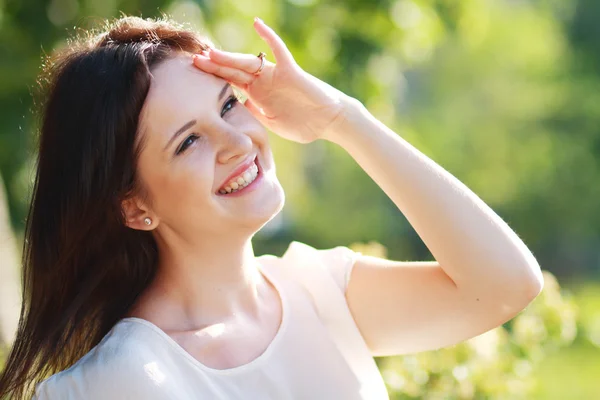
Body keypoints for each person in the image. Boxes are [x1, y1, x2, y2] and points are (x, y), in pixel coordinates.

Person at [0, 15, 543, 400]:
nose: (237, 143)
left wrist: (341, 120)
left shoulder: (319, 290)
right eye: (189, 141)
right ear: (134, 205)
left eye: (229, 105)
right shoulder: (119, 381)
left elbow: (504, 285)